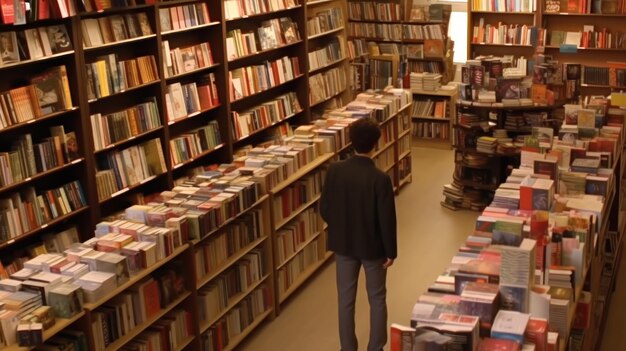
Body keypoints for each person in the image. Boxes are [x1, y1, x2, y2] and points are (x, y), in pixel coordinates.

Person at [320, 117, 397, 351]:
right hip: (373, 248)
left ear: (350, 142)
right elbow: (386, 219)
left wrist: (342, 227)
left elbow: (324, 209)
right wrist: (390, 252)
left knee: (345, 300)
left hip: (343, 244)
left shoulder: (334, 171)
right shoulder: (380, 179)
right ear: (376, 143)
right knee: (376, 298)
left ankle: (347, 348)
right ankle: (375, 347)